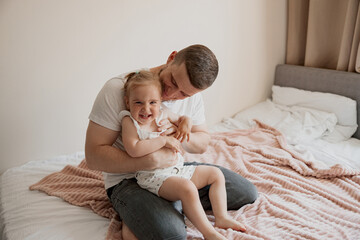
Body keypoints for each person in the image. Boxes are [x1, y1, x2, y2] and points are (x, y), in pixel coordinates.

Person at [85, 44, 258, 240]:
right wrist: (148, 161)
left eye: (184, 94)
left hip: (172, 170)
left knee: (245, 192)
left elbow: (202, 142)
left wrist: (180, 133)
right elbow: (93, 157)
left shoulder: (192, 95)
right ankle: (143, 211)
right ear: (171, 58)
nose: (172, 94)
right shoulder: (120, 89)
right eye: (173, 82)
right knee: (172, 235)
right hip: (129, 180)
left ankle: (161, 207)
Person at [120, 70, 246, 240]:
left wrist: (186, 123)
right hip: (154, 176)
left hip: (177, 169)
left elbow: (182, 119)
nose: (146, 109)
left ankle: (221, 217)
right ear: (127, 102)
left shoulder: (163, 113)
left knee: (215, 175)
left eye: (153, 102)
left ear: (160, 102)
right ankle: (209, 233)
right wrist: (163, 141)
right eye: (138, 102)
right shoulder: (130, 122)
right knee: (188, 189)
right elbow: (134, 149)